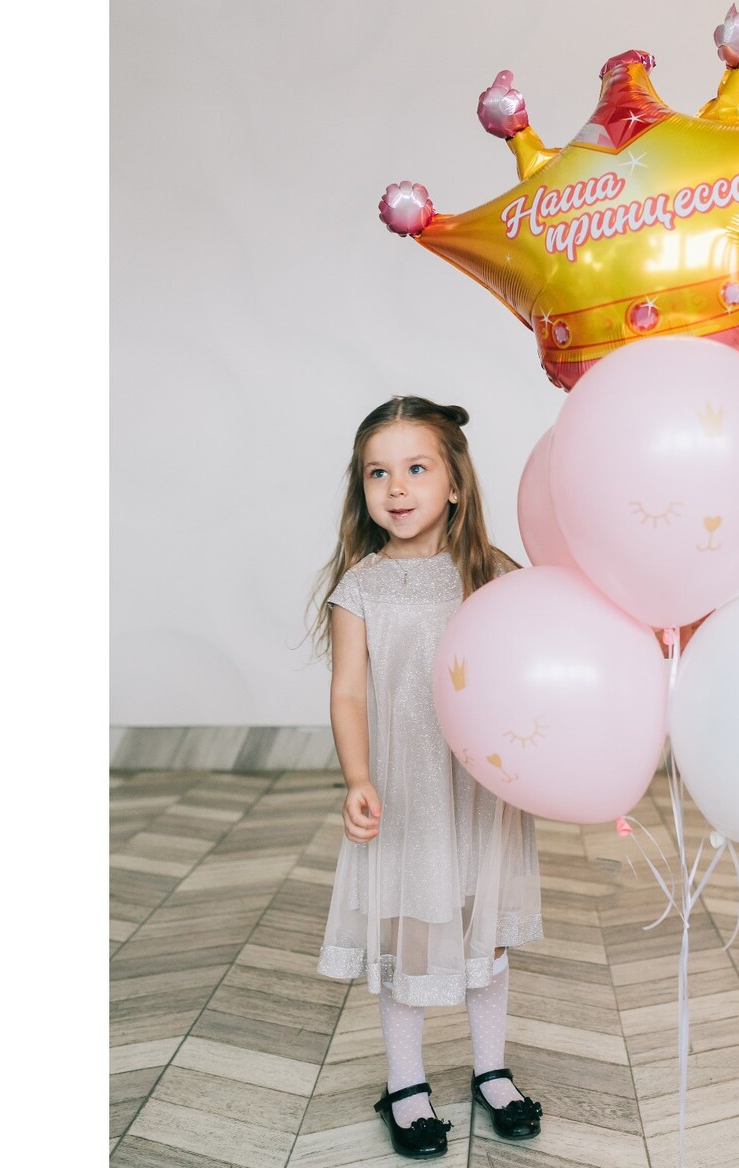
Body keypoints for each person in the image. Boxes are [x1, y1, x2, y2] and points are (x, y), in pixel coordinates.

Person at [312, 396, 544, 1158]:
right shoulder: (361, 587)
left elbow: (530, 668)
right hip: (406, 790)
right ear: (362, 488)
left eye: (416, 468)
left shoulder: (492, 575)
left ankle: (491, 1069)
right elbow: (349, 692)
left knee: (484, 927)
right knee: (408, 933)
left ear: (454, 483)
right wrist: (357, 777)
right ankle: (405, 1083)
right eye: (378, 473)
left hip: (477, 790)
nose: (397, 487)